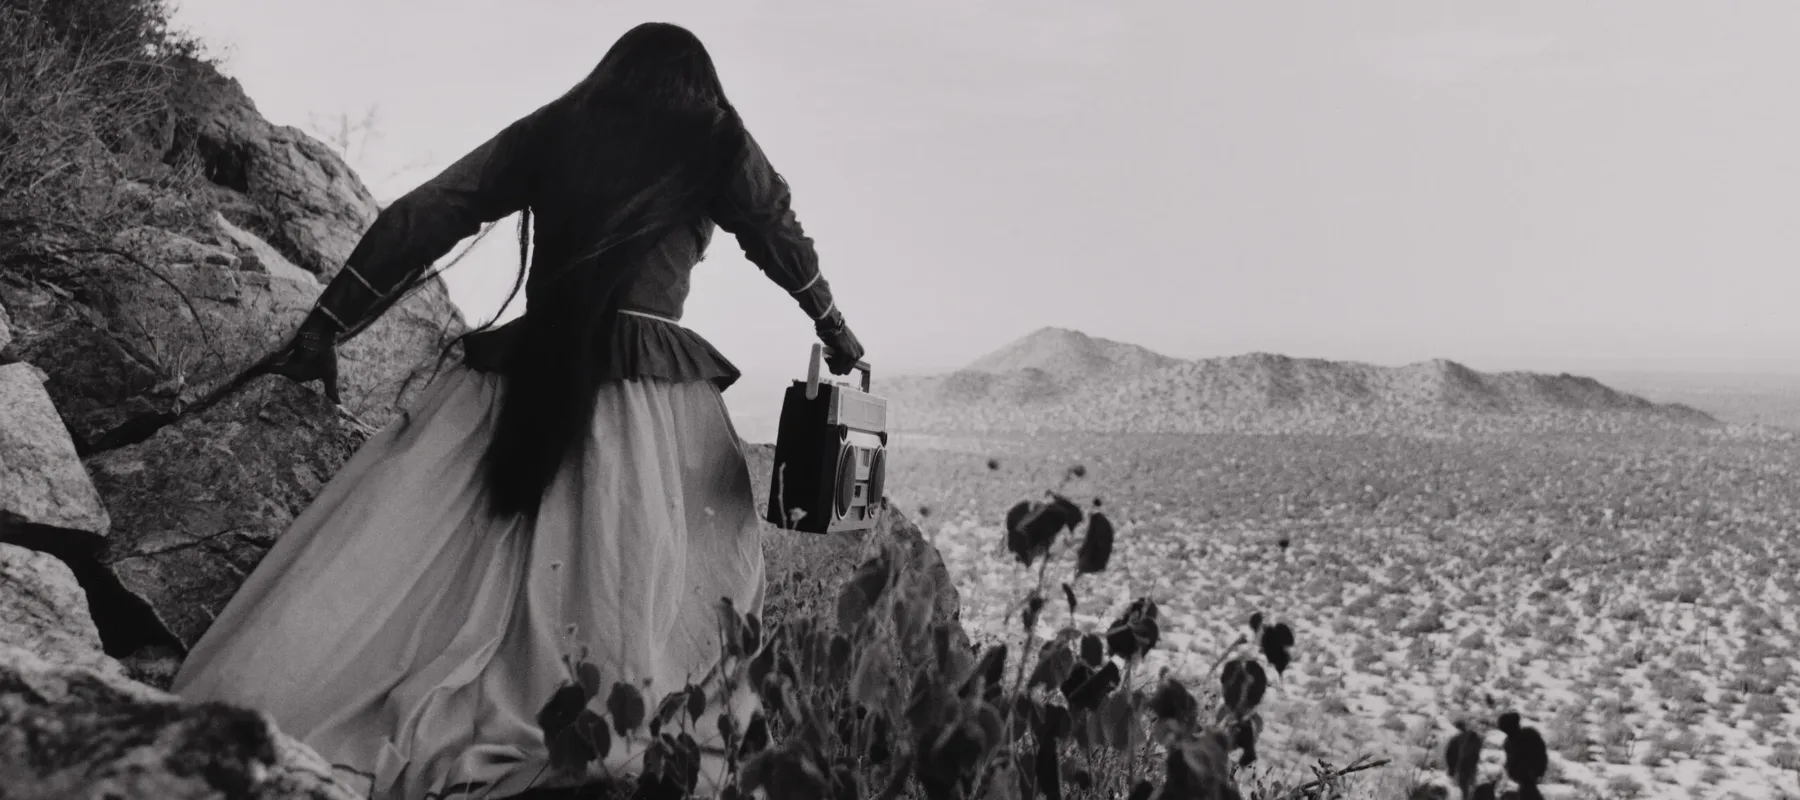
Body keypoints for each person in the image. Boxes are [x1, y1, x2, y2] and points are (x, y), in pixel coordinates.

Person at [170, 22, 864, 800]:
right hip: (650, 397)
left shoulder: (560, 125)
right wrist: (836, 332)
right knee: (660, 573)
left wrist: (327, 325)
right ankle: (610, 729)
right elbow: (777, 231)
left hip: (524, 374)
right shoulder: (716, 137)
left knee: (433, 558)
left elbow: (430, 211)